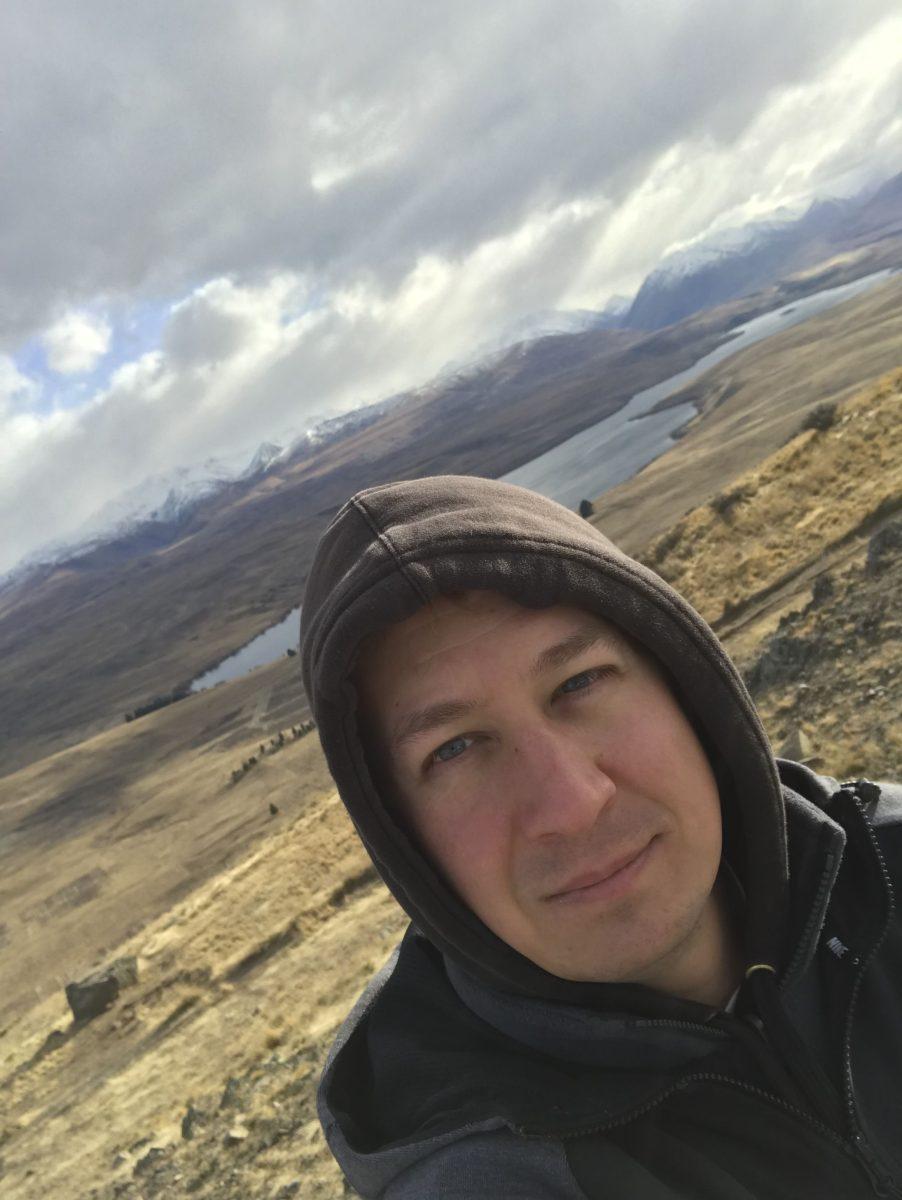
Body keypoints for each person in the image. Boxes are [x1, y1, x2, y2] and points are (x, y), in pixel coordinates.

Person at [299, 474, 902, 1199]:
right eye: (453, 748)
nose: (574, 803)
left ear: (685, 688)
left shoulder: (888, 858)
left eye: (578, 683)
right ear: (406, 845)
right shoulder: (487, 1177)